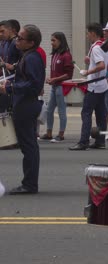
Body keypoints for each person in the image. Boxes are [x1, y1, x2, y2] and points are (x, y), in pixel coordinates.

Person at [0, 24, 45, 194]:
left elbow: (33, 85)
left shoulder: (32, 58)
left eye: (20, 38)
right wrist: (11, 83)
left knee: (29, 146)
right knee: (28, 146)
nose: (17, 40)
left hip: (26, 105)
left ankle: (30, 184)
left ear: (31, 42)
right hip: (24, 104)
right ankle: (29, 183)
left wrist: (10, 88)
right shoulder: (28, 55)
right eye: (17, 37)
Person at [69, 23, 108, 151]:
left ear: (93, 33)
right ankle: (100, 141)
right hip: (102, 84)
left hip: (95, 86)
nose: (87, 36)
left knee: (86, 113)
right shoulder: (104, 46)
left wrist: (87, 72)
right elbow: (107, 65)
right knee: (101, 114)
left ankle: (83, 141)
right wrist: (90, 62)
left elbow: (102, 65)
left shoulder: (96, 48)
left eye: (88, 33)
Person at [39, 32, 73, 143]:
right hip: (54, 86)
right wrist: (51, 79)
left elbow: (69, 75)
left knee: (61, 111)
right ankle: (49, 133)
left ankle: (61, 134)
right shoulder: (55, 54)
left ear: (60, 41)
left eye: (54, 40)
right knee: (49, 110)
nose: (51, 43)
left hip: (61, 87)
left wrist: (55, 79)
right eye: (51, 40)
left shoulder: (66, 55)